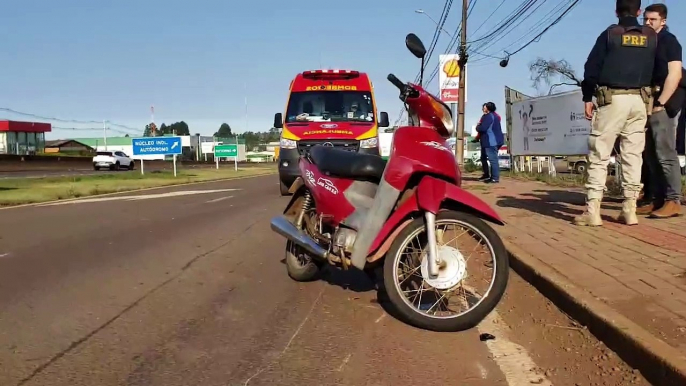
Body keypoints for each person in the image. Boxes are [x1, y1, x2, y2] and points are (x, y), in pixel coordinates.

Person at [575, 0, 657, 227]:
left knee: (599, 156)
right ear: (639, 12)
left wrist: (587, 97)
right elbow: (659, 69)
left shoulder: (610, 34)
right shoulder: (651, 37)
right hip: (640, 101)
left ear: (616, 12)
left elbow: (591, 69)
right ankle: (629, 210)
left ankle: (593, 212)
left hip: (612, 100)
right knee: (633, 156)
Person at [636, 3, 684, 218]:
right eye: (645, 19)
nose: (647, 23)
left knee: (665, 152)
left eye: (652, 20)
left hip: (665, 100)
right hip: (650, 99)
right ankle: (657, 198)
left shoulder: (668, 41)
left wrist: (662, 102)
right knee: (651, 153)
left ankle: (673, 201)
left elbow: (675, 74)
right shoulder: (648, 41)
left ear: (663, 21)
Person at [475, 102, 504, 184]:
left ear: (488, 108)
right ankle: (487, 175)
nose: (483, 108)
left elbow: (483, 128)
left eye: (484, 107)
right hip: (491, 140)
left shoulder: (488, 116)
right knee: (483, 157)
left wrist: (478, 127)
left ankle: (494, 178)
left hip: (490, 141)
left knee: (493, 159)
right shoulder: (495, 116)